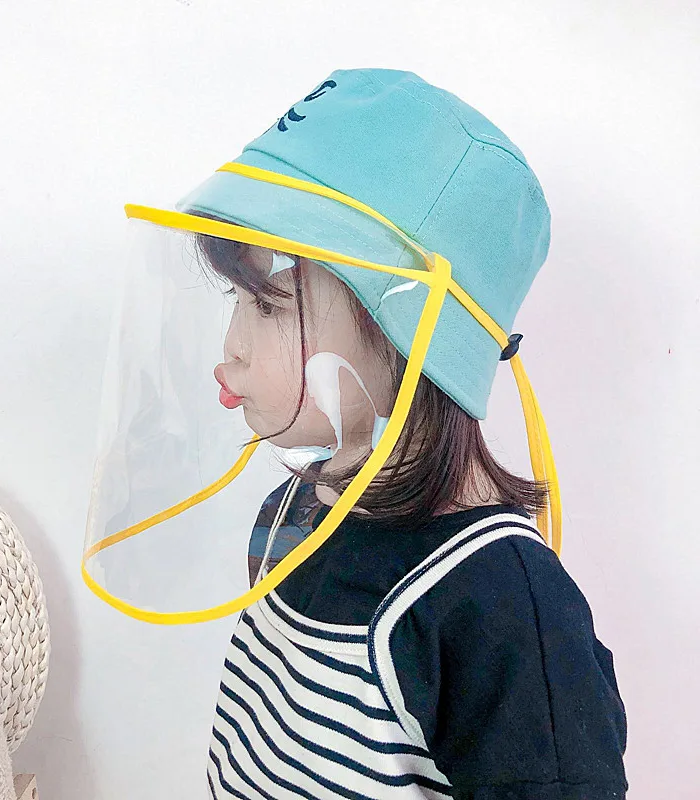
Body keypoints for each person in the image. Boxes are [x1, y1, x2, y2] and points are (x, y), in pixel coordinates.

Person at [183, 69, 628, 799]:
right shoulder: (293, 514)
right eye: (239, 298)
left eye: (268, 305)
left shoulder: (502, 613)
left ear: (411, 329)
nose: (232, 346)